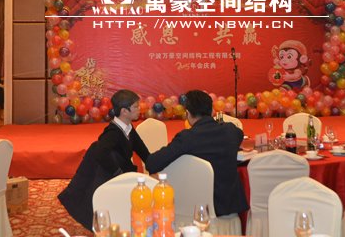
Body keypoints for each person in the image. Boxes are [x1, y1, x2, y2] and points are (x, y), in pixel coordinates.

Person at [145, 90, 248, 218]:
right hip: (230, 209)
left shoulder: (187, 137)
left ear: (188, 114)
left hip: (198, 211)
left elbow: (152, 163)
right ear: (212, 111)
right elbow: (239, 134)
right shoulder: (231, 131)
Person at [57, 89, 150, 230]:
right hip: (109, 176)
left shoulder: (128, 128)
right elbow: (100, 151)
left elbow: (143, 152)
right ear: (124, 111)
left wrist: (156, 163)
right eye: (136, 107)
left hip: (121, 172)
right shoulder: (113, 132)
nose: (140, 109)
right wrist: (118, 173)